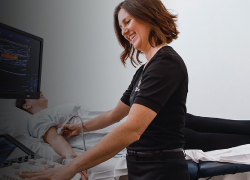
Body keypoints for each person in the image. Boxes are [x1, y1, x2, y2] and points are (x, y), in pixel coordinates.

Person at [18, 0, 249, 179]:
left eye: (127, 22)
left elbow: (131, 129)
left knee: (217, 131)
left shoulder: (165, 62)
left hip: (160, 170)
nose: (124, 31)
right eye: (121, 26)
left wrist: (70, 169)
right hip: (142, 167)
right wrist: (80, 128)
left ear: (147, 15)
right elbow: (114, 114)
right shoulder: (144, 69)